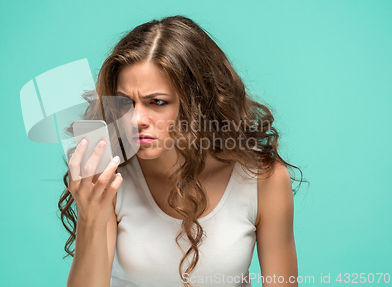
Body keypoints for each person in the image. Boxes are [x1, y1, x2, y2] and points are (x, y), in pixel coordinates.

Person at [58, 15, 304, 287]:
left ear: (199, 102)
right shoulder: (111, 177)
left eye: (157, 102)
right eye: (126, 102)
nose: (136, 118)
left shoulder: (263, 180)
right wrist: (91, 217)